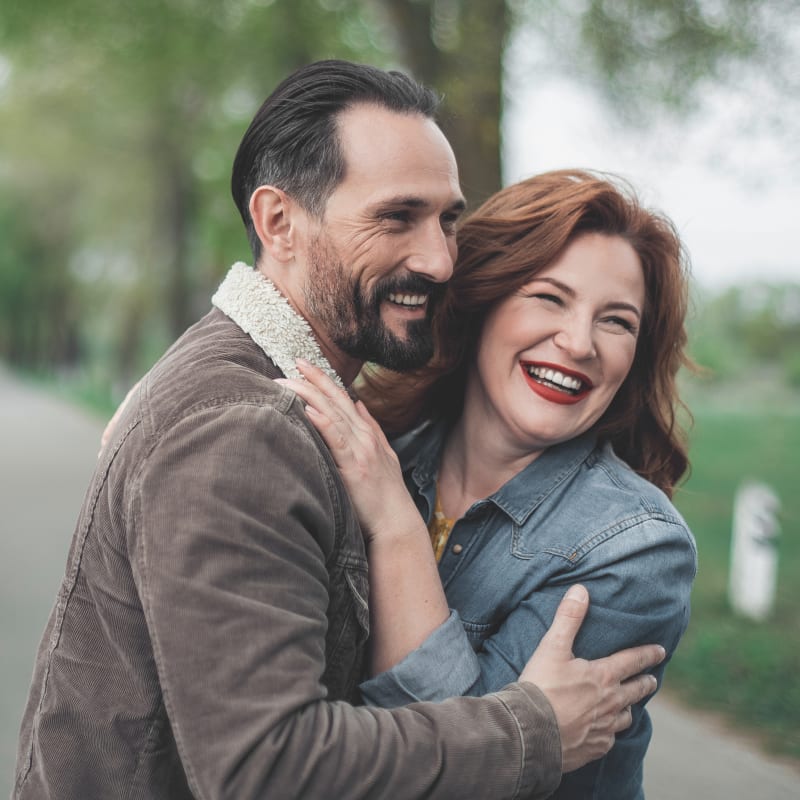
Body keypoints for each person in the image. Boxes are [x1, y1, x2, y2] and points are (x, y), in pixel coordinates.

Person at [13, 62, 665, 800]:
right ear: (278, 222)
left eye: (448, 219)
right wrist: (532, 729)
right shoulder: (238, 428)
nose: (440, 258)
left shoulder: (280, 401)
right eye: (397, 218)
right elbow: (271, 768)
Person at [280, 169, 698, 799]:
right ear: (482, 301)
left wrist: (395, 527)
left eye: (617, 322)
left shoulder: (637, 550)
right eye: (549, 298)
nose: (579, 342)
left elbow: (467, 772)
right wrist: (161, 413)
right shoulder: (376, 450)